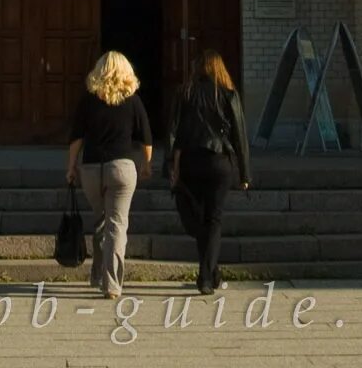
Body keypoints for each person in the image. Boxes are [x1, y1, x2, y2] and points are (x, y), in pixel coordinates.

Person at [65, 50, 152, 300]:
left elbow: (76, 137)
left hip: (91, 169)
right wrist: (146, 164)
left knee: (102, 220)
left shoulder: (88, 100)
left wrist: (72, 166)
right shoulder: (133, 100)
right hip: (122, 169)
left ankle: (97, 275)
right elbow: (145, 137)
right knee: (116, 224)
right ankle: (111, 284)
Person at [165, 48, 251, 295]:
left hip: (191, 162)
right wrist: (245, 173)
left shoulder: (184, 93)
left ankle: (206, 274)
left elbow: (172, 132)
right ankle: (209, 273)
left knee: (198, 219)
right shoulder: (228, 95)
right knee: (213, 219)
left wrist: (170, 165)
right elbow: (240, 135)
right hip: (219, 163)